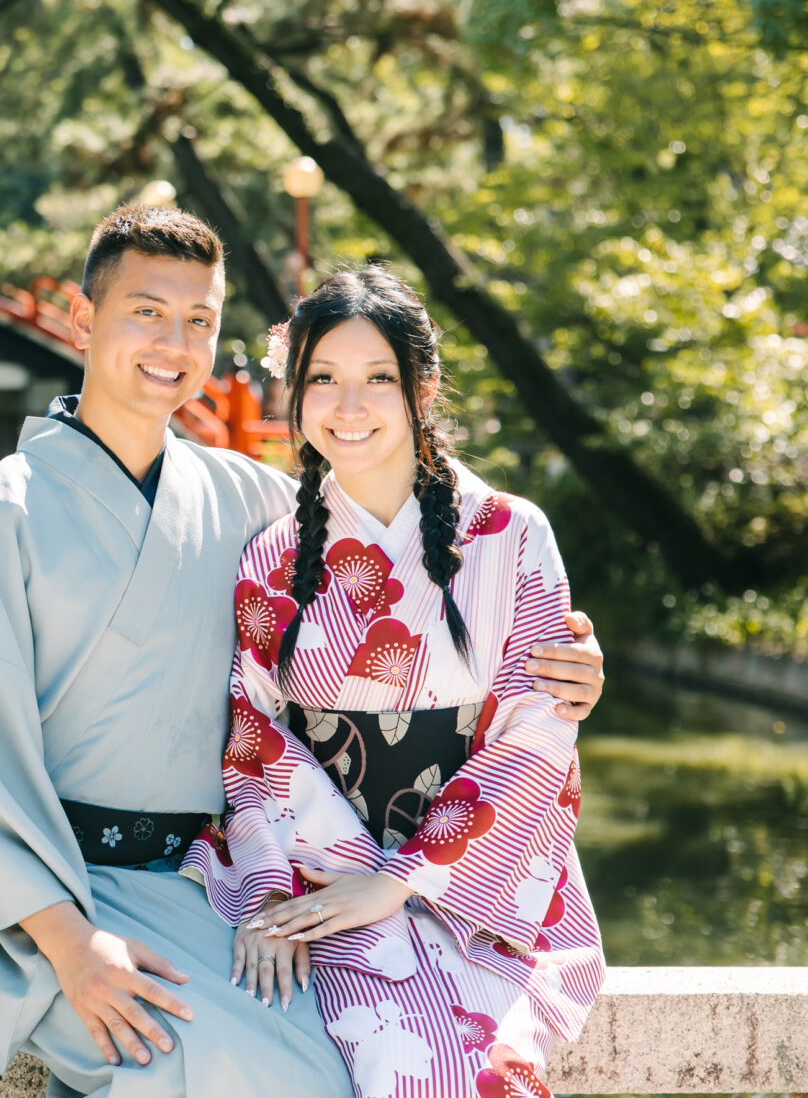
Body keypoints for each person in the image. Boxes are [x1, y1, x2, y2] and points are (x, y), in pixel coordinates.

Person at [0, 205, 606, 1098]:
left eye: (199, 320)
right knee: (234, 1069)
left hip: (203, 881)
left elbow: (388, 522)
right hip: (50, 899)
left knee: (325, 1059)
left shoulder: (243, 498)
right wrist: (74, 947)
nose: (174, 341)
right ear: (82, 321)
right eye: (145, 311)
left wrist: (569, 660)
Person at [183, 266, 602, 1098]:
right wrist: (287, 894)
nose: (349, 406)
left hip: (482, 888)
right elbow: (256, 740)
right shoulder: (271, 560)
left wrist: (405, 877)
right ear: (294, 393)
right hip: (324, 872)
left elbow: (538, 729)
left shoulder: (513, 534)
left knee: (469, 1066)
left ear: (424, 386)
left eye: (379, 378)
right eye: (323, 380)